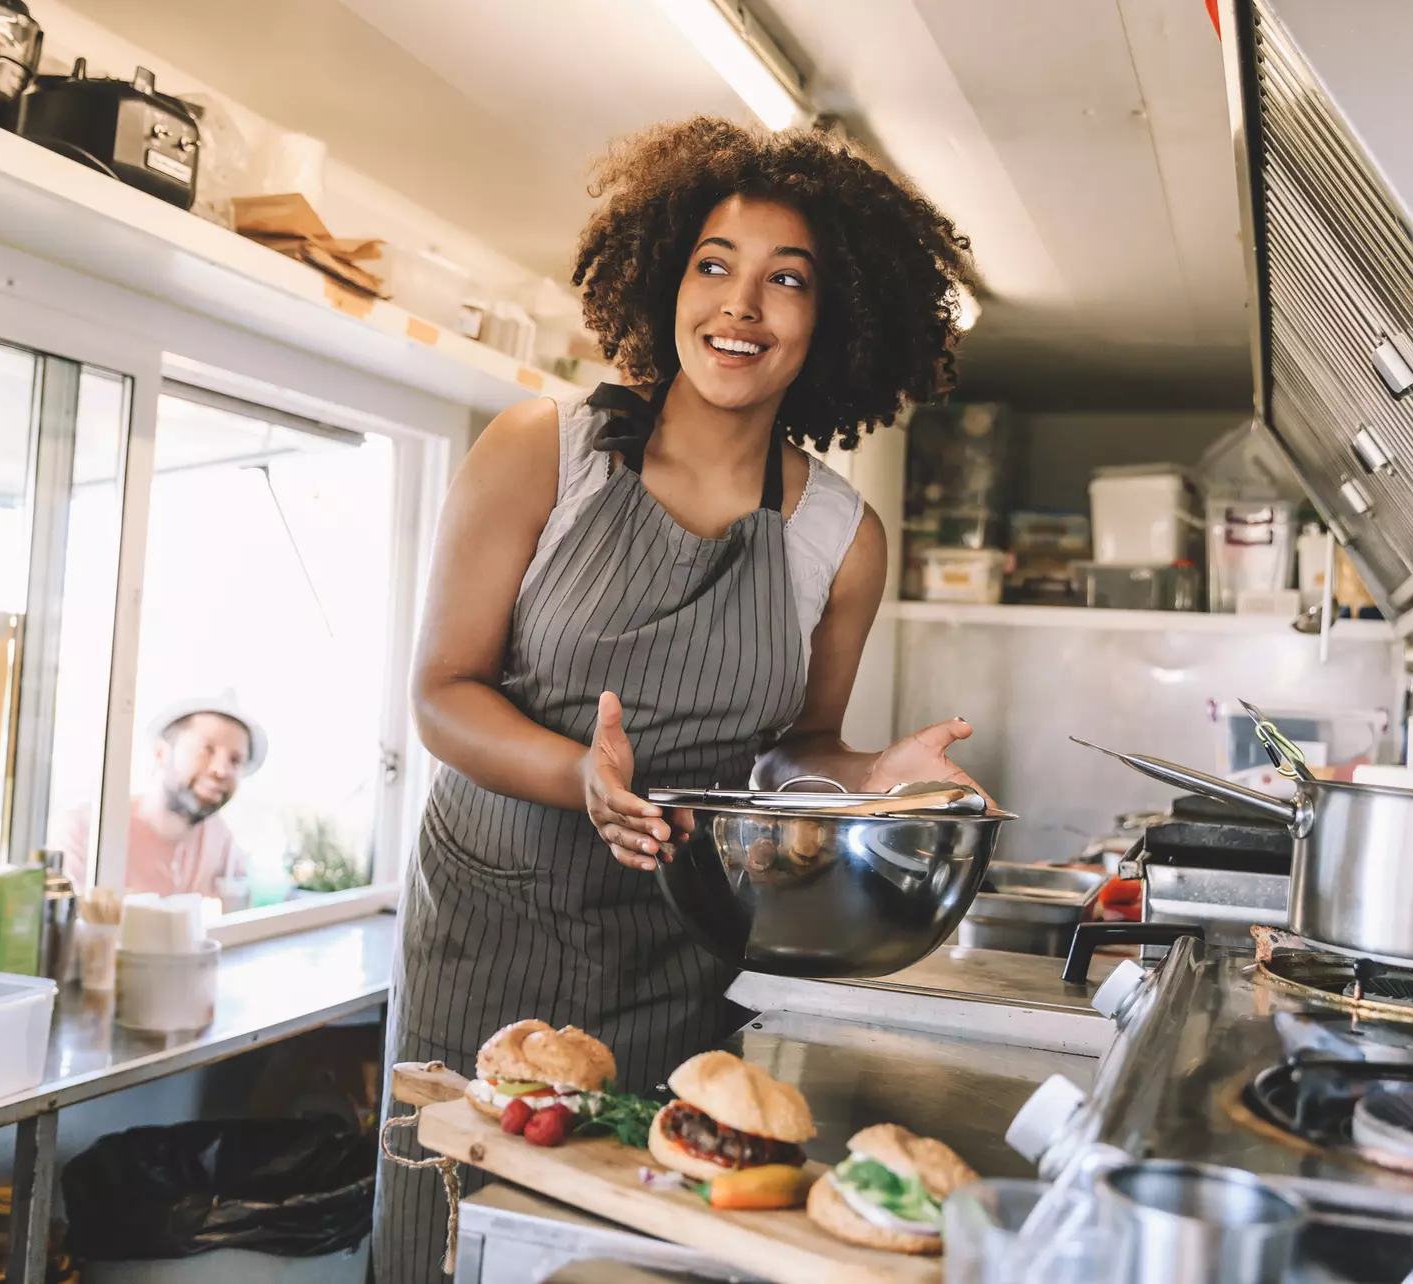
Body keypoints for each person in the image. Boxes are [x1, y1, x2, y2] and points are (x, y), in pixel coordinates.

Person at [375, 116, 975, 1281]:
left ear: (831, 317)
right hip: (490, 934)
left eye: (785, 280)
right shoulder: (540, 450)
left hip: (675, 956)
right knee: (450, 1238)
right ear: (665, 280)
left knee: (629, 1248)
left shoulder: (840, 540)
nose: (740, 306)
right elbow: (442, 694)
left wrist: (868, 783)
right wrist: (574, 777)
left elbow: (794, 749)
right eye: (714, 264)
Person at [56, 693, 266, 910]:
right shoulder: (89, 829)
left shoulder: (221, 841)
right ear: (161, 753)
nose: (221, 771)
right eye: (206, 749)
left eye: (235, 760)